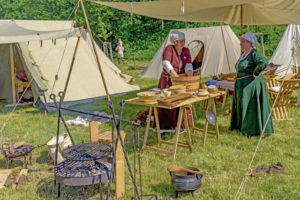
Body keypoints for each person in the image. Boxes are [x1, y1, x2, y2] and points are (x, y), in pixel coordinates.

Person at [230, 32, 274, 136]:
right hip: (242, 85)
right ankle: (242, 126)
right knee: (242, 105)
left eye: (242, 41)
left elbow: (263, 62)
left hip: (251, 85)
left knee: (250, 107)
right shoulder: (243, 54)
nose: (240, 43)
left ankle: (252, 129)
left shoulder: (254, 53)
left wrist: (255, 73)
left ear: (249, 42)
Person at [157, 30, 193, 129]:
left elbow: (188, 63)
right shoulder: (169, 49)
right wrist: (173, 74)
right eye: (181, 40)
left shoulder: (186, 50)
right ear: (175, 41)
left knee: (181, 100)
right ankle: (167, 126)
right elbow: (166, 63)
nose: (183, 42)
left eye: (184, 40)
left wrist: (189, 72)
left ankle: (181, 125)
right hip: (168, 80)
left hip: (180, 80)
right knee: (168, 101)